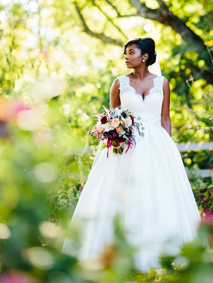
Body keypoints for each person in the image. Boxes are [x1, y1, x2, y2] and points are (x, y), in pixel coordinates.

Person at [63, 37, 204, 270]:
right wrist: (113, 138)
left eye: (130, 52)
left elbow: (165, 118)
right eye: (125, 53)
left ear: (145, 56)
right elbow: (112, 116)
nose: (126, 57)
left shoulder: (162, 83)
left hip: (158, 145)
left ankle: (162, 248)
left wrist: (169, 148)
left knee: (159, 193)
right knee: (121, 193)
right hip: (127, 145)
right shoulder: (119, 83)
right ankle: (118, 250)